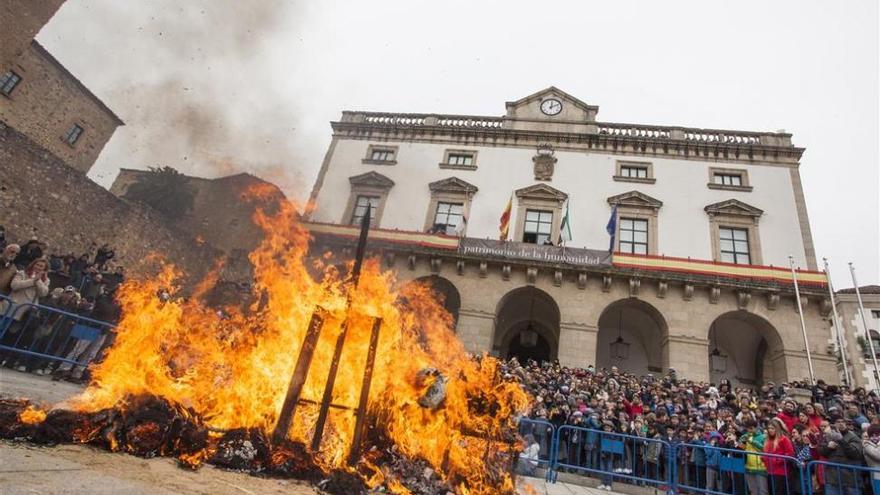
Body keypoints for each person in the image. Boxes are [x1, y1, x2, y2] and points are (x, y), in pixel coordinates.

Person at [0, 258, 50, 368]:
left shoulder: (45, 280)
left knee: (13, 335)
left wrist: (38, 281)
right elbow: (15, 285)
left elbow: (43, 293)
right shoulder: (22, 273)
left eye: (41, 266)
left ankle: (5, 358)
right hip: (12, 307)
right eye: (37, 265)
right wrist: (32, 281)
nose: (38, 267)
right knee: (2, 331)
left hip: (26, 312)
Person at [819, 417, 863, 495]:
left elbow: (855, 453)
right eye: (838, 422)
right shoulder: (829, 436)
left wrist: (841, 440)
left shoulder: (853, 436)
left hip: (850, 478)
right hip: (833, 478)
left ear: (846, 424)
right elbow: (821, 451)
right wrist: (828, 447)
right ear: (834, 424)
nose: (841, 424)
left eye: (843, 422)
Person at [763, 418, 795, 495]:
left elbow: (790, 453)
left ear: (777, 429)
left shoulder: (784, 439)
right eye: (769, 428)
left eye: (772, 428)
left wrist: (777, 460)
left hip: (781, 472)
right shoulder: (768, 440)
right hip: (770, 470)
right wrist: (764, 458)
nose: (770, 430)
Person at [739, 419, 769, 495]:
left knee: (763, 491)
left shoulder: (763, 437)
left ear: (756, 428)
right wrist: (741, 443)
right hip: (749, 467)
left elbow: (764, 449)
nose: (749, 431)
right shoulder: (745, 436)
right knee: (752, 491)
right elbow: (743, 448)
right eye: (748, 429)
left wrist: (752, 441)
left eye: (751, 428)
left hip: (761, 468)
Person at [862, 424, 880, 495]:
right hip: (877, 476)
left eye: (877, 434)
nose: (875, 437)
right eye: (872, 435)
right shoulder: (867, 445)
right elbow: (878, 456)